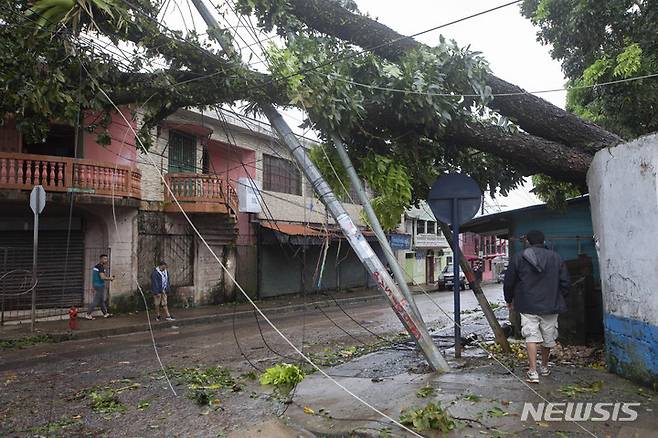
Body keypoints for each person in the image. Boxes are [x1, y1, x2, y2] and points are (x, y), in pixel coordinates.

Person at [503, 230, 570, 383]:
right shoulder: (556, 257)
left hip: (527, 304)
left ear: (527, 241)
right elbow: (566, 283)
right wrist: (558, 297)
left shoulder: (519, 258)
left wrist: (509, 299)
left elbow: (509, 282)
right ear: (543, 241)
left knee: (531, 336)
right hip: (551, 304)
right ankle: (544, 367)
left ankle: (533, 371)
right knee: (548, 336)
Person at [86, 254, 114, 320]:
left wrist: (93, 286)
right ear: (101, 259)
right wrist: (110, 278)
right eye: (104, 259)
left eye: (106, 259)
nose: (106, 260)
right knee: (96, 301)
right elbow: (102, 277)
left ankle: (105, 314)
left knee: (101, 301)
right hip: (99, 286)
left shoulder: (96, 266)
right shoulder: (101, 267)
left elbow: (94, 277)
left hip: (96, 285)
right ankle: (88, 314)